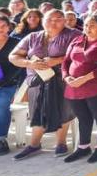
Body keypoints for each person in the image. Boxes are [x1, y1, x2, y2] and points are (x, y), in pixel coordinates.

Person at [9, 10, 79, 161]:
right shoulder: (33, 37)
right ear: (43, 20)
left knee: (63, 110)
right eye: (49, 19)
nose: (53, 22)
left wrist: (57, 60)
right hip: (36, 80)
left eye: (58, 19)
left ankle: (61, 143)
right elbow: (13, 56)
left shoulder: (73, 35)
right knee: (36, 111)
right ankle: (34, 144)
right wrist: (29, 63)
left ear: (65, 20)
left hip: (62, 79)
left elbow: (81, 54)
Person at [60, 14, 97, 164]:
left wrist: (85, 78)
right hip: (74, 87)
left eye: (92, 25)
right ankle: (83, 147)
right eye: (85, 25)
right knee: (83, 117)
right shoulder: (76, 40)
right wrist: (66, 77)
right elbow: (66, 61)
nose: (88, 28)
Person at [0, 16, 24, 155]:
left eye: (3, 26)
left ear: (9, 27)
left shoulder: (16, 43)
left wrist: (3, 83)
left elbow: (20, 68)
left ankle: (1, 139)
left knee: (1, 103)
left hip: (10, 83)